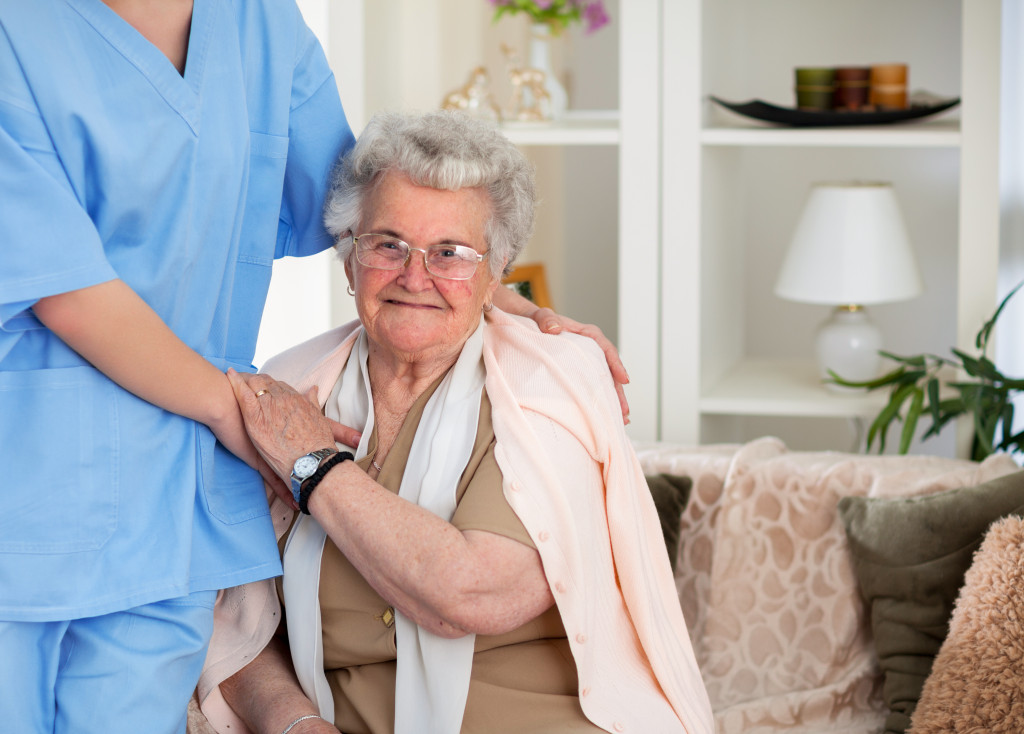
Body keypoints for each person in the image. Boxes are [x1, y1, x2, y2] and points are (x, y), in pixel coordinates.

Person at [0, 3, 623, 733]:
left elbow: (365, 204)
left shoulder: (257, 22)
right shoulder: (17, 30)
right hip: (33, 475)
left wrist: (482, 281)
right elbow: (62, 288)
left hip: (176, 496)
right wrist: (251, 419)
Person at [198, 110, 713, 734]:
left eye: (451, 253)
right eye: (388, 244)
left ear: (497, 271)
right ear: (347, 258)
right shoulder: (292, 389)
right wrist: (296, 724)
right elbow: (234, 628)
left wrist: (315, 467)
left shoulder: (546, 384)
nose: (416, 277)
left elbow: (472, 594)